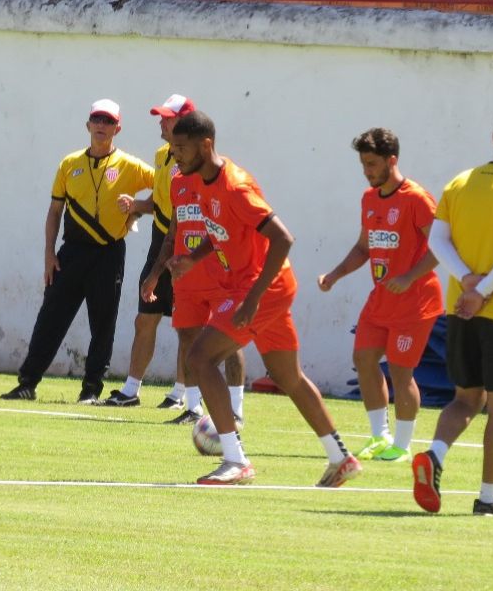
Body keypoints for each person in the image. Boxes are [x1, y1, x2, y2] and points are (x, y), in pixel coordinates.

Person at [143, 111, 360, 486]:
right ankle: (340, 457)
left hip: (263, 286)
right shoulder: (198, 181)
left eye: (180, 148)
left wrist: (254, 299)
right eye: (172, 147)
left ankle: (235, 460)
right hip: (256, 286)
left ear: (205, 145)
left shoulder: (236, 186)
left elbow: (283, 238)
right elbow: (222, 230)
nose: (174, 154)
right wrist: (192, 258)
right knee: (288, 375)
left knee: (199, 357)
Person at [412, 106, 493, 517]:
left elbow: (437, 242)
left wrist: (467, 283)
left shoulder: (460, 181)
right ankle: (488, 499)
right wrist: (484, 290)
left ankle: (434, 454)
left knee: (465, 399)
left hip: (461, 311)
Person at [102, 94, 245, 419]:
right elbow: (171, 216)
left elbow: (231, 225)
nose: (162, 123)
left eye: (168, 117)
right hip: (175, 250)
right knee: (183, 327)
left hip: (214, 260)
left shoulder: (220, 174)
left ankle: (233, 408)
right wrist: (155, 268)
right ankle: (187, 404)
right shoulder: (171, 168)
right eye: (162, 117)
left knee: (229, 335)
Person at [1, 100, 154, 404]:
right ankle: (27, 383)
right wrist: (49, 253)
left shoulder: (131, 166)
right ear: (87, 125)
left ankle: (91, 390)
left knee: (103, 322)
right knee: (50, 318)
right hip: (70, 252)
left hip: (108, 253)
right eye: (96, 119)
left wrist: (137, 208)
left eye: (108, 121)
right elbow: (55, 210)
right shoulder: (70, 163)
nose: (101, 125)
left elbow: (164, 190)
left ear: (117, 128)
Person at [318, 128, 443, 462]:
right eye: (363, 165)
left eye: (372, 164)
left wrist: (409, 276)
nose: (367, 171)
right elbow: (363, 247)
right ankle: (379, 436)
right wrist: (334, 275)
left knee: (402, 372)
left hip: (416, 301)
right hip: (381, 299)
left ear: (392, 160)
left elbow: (442, 247)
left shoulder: (416, 198)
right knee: (364, 359)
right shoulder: (370, 198)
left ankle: (401, 445)